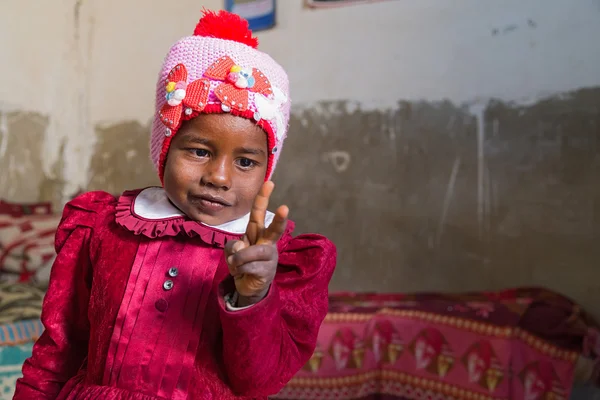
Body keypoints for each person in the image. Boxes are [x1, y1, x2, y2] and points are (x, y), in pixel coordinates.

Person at [14, 9, 336, 400]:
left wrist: (253, 297)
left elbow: (260, 381)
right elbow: (58, 351)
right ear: (164, 148)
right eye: (199, 151)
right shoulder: (104, 228)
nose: (219, 177)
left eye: (246, 162)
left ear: (267, 168)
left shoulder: (276, 261)